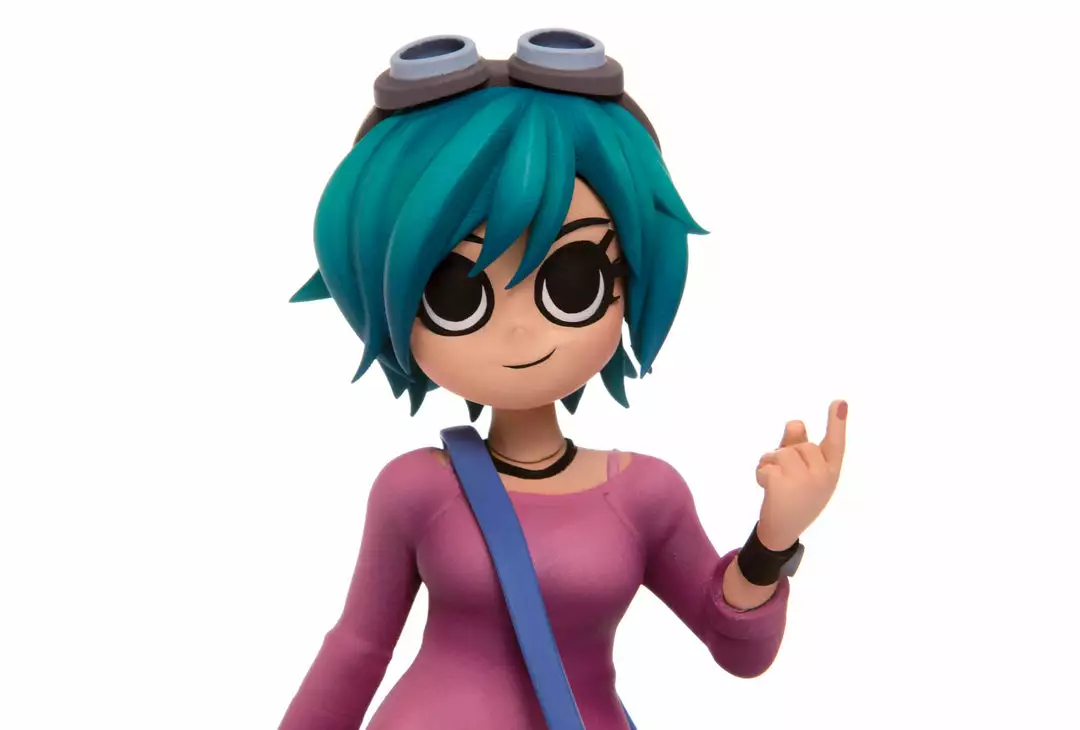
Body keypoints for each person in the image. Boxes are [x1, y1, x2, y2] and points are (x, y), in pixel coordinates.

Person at [281, 29, 847, 730]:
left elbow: (736, 648)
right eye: (457, 296)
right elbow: (358, 648)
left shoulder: (646, 494)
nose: (520, 332)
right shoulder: (414, 488)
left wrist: (772, 541)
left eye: (572, 283)